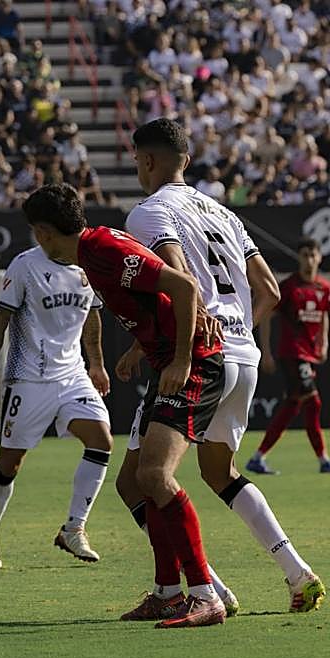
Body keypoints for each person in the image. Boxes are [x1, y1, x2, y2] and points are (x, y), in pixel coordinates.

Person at [120, 119, 324, 614]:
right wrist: (237, 333)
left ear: (147, 161)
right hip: (243, 358)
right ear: (186, 161)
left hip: (197, 357)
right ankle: (297, 573)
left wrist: (188, 342)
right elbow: (270, 291)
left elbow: (180, 274)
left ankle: (201, 586)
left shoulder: (147, 213)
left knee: (138, 479)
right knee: (220, 472)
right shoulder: (226, 214)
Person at [23, 183, 225, 628]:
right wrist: (140, 349)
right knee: (132, 482)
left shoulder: (103, 251)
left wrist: (181, 358)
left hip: (194, 364)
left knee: (155, 474)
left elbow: (185, 286)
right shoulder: (95, 254)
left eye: (37, 234)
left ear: (43, 232)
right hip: (166, 362)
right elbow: (159, 297)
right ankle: (168, 594)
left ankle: (206, 596)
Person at [0, 244, 112, 568]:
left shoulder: (86, 266)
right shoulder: (25, 265)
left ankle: (74, 528)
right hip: (29, 380)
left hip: (73, 376)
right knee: (9, 464)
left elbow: (92, 316)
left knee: (101, 441)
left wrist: (97, 364)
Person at [248, 237, 330, 475]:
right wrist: (266, 352)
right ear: (299, 258)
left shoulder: (323, 288)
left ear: (319, 257)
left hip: (310, 354)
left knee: (293, 406)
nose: (309, 259)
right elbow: (266, 317)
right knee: (313, 402)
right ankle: (324, 459)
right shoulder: (289, 288)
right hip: (292, 353)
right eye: (304, 255)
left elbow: (324, 315)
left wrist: (323, 342)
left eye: (313, 255)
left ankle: (258, 457)